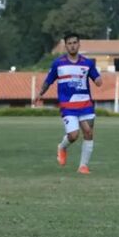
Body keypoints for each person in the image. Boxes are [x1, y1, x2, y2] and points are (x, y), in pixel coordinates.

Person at [34, 32, 102, 174]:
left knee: (88, 133)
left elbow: (97, 79)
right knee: (73, 135)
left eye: (74, 43)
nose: (72, 46)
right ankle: (62, 147)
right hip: (68, 105)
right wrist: (40, 93)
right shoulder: (58, 63)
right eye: (69, 43)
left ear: (79, 44)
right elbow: (49, 80)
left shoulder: (87, 63)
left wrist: (98, 80)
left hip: (85, 104)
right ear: (65, 46)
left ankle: (83, 166)